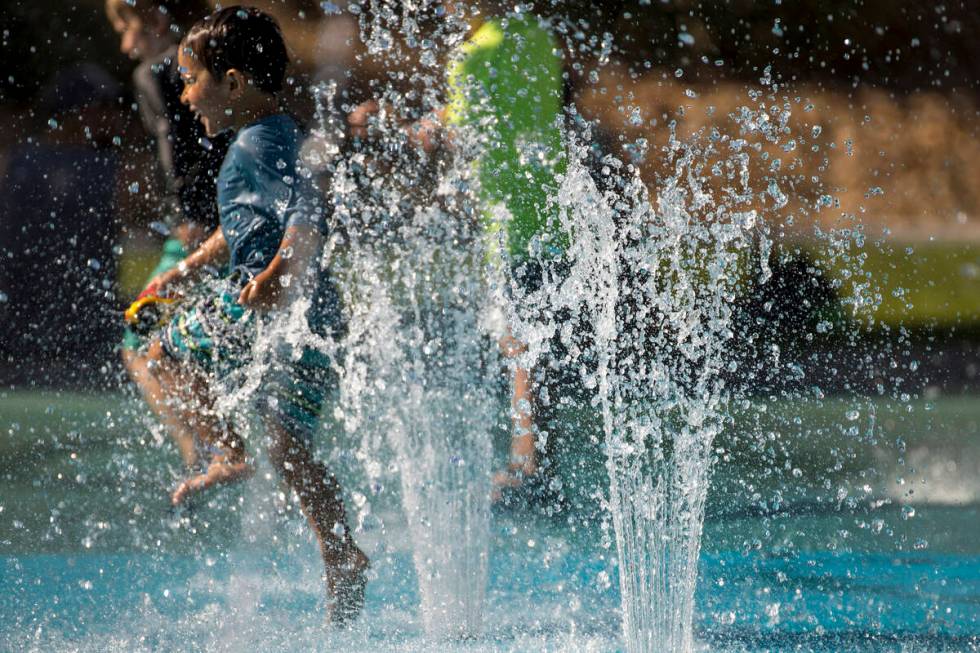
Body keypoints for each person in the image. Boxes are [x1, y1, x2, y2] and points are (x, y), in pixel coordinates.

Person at [141, 6, 368, 624]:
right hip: (316, 313)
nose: (185, 95)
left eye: (192, 80)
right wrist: (185, 269)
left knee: (158, 354)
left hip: (264, 300)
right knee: (291, 442)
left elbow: (304, 213)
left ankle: (225, 450)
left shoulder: (259, 142)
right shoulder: (270, 136)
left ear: (234, 83)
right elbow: (243, 225)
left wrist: (272, 277)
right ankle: (341, 552)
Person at [349, 1, 567, 502]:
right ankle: (541, 465)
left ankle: (527, 472)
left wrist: (389, 128)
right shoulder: (535, 33)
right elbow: (499, 110)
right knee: (536, 342)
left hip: (510, 217)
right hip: (553, 204)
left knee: (519, 347)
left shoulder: (475, 53)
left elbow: (455, 133)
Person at [106, 0, 231, 467]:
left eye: (129, 28)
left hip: (200, 231)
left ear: (157, 21)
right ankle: (214, 443)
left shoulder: (156, 72)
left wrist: (192, 216)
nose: (125, 44)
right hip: (231, 221)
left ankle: (201, 449)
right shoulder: (215, 61)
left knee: (138, 340)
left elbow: (178, 150)